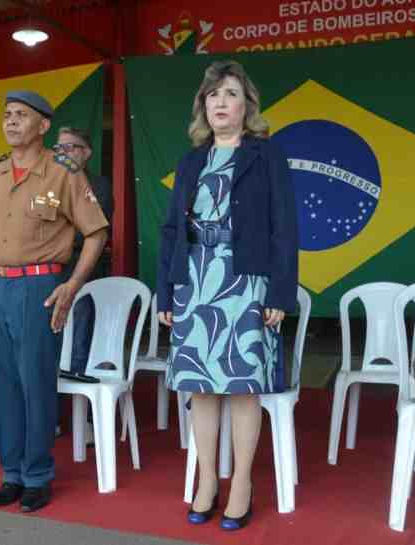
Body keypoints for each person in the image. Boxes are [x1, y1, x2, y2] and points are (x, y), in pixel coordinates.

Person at [156, 60, 298, 531]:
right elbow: (173, 228)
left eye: (230, 93)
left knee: (242, 388)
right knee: (200, 386)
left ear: (247, 105)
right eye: (212, 94)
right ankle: (205, 483)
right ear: (203, 106)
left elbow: (284, 226)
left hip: (245, 281)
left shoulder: (266, 154)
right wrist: (166, 293)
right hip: (194, 280)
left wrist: (280, 291)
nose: (220, 102)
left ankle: (241, 483)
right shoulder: (191, 158)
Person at [0, 90, 108, 512]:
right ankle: (10, 474)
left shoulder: (63, 173)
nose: (11, 122)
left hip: (37, 288)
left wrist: (72, 285)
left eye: (21, 116)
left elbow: (96, 233)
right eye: (7, 114)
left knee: (34, 382)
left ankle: (37, 476)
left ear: (43, 126)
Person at [54, 127, 114, 376]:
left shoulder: (98, 184)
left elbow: (91, 230)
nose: (62, 153)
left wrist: (55, 235)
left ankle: (79, 390)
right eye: (58, 148)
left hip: (82, 267)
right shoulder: (49, 182)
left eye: (69, 147)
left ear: (86, 152)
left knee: (79, 329)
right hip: (49, 267)